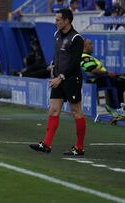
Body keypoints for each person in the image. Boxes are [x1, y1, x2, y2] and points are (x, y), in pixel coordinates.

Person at [29, 8, 86, 156]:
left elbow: (74, 63)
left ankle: (79, 147)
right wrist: (53, 66)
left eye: (58, 20)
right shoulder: (56, 35)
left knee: (76, 112)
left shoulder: (76, 38)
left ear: (66, 21)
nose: (56, 22)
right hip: (58, 79)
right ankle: (46, 144)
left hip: (72, 79)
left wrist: (61, 77)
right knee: (53, 110)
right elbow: (57, 55)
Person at [81, 39, 125, 107]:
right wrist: (107, 73)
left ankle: (117, 106)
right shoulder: (85, 57)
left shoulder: (87, 57)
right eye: (90, 44)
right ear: (84, 47)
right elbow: (92, 70)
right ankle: (118, 107)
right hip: (101, 80)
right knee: (121, 82)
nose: (92, 46)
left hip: (103, 78)